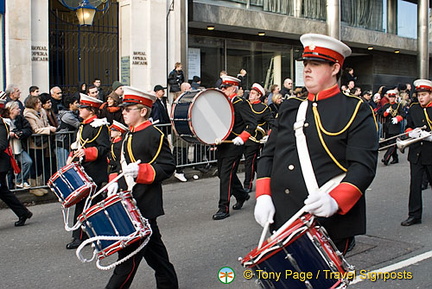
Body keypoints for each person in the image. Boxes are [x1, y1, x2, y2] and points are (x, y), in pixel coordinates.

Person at [254, 33, 378, 254]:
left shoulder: (356, 110)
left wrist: (336, 201)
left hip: (326, 221)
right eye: (306, 63)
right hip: (283, 217)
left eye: (316, 63)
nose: (307, 69)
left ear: (335, 68)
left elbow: (363, 166)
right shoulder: (291, 107)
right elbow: (269, 155)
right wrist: (263, 196)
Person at [104, 86, 178, 289]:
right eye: (123, 109)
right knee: (158, 258)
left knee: (127, 263)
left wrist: (142, 172)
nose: (123, 112)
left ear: (143, 111)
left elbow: (167, 166)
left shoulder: (154, 134)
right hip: (129, 202)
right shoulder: (129, 134)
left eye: (128, 109)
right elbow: (121, 165)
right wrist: (115, 183)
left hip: (143, 204)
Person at [65, 94, 110, 249]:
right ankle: (82, 236)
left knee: (92, 205)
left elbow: (104, 148)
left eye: (83, 108)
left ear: (91, 110)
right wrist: (72, 156)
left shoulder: (99, 126)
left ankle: (95, 235)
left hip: (95, 171)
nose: (79, 110)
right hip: (84, 169)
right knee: (83, 203)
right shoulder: (84, 125)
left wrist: (87, 153)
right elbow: (79, 145)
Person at [213, 75, 257, 220]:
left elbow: (252, 123)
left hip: (234, 144)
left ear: (233, 88)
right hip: (223, 144)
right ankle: (242, 195)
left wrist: (242, 137)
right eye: (222, 88)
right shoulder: (223, 103)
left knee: (225, 175)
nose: (223, 90)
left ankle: (223, 208)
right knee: (222, 173)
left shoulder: (240, 103)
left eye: (225, 88)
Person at [400, 79, 432, 226]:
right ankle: (414, 215)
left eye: (424, 94)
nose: (421, 98)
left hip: (430, 153)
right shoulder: (414, 108)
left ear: (430, 95)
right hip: (416, 153)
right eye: (419, 95)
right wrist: (411, 133)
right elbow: (409, 126)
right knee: (415, 186)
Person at [0, 99, 33, 227]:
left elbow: (2, 145)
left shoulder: (2, 125)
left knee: (4, 192)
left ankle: (23, 213)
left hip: (1, 165)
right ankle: (23, 213)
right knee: (4, 193)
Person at [24, 96, 57, 196]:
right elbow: (35, 129)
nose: (40, 104)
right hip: (34, 144)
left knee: (41, 164)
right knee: (35, 164)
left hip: (44, 142)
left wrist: (48, 127)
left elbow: (45, 123)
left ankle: (39, 185)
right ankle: (34, 186)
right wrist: (48, 130)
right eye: (37, 103)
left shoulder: (42, 112)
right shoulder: (28, 114)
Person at [243, 83, 273, 193]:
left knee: (249, 162)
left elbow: (271, 122)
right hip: (242, 137)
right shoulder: (245, 105)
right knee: (254, 163)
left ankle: (247, 184)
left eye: (253, 93)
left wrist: (269, 134)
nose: (250, 95)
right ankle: (265, 178)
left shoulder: (263, 108)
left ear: (258, 95)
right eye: (250, 93)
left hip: (254, 139)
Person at [2, 101, 33, 190]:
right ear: (11, 110)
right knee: (9, 169)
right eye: (17, 108)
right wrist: (9, 134)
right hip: (7, 149)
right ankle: (9, 188)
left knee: (28, 162)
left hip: (18, 147)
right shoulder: (3, 120)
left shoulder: (20, 118)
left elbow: (28, 129)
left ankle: (20, 180)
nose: (19, 110)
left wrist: (20, 133)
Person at [378, 89, 405, 165]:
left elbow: (403, 114)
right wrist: (386, 112)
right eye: (390, 97)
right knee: (391, 143)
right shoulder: (386, 105)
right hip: (388, 126)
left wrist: (398, 118)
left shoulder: (398, 105)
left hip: (395, 126)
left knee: (392, 143)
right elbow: (382, 114)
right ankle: (395, 158)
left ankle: (386, 158)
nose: (392, 99)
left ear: (395, 97)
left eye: (393, 97)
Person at [56, 95, 80, 169]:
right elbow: (78, 124)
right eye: (76, 103)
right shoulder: (67, 116)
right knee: (63, 166)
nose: (78, 104)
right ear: (70, 105)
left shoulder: (73, 114)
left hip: (67, 142)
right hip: (62, 142)